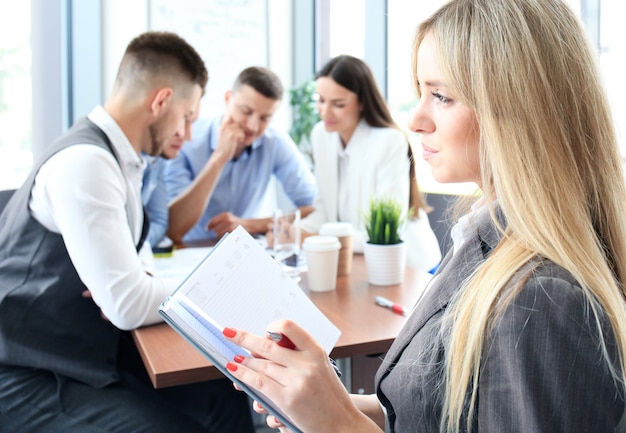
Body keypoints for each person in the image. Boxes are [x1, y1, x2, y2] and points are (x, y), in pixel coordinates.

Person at [221, 0, 626, 432]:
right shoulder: (482, 237)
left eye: (441, 96)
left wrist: (337, 424)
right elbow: (433, 412)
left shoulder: (541, 299)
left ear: (518, 108)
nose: (415, 120)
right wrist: (328, 401)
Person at [0, 31, 254, 432]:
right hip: (33, 371)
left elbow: (138, 271)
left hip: (86, 354)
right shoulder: (86, 163)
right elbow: (128, 304)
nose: (187, 135)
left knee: (224, 391)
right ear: (161, 100)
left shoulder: (123, 160)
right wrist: (213, 291)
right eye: (187, 117)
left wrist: (136, 286)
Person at [300, 54, 441, 272]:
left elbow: (385, 230)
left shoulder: (389, 141)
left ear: (362, 103)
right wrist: (297, 231)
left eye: (338, 104)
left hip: (407, 265)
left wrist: (317, 236)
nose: (324, 112)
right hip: (357, 262)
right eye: (320, 100)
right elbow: (324, 209)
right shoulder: (321, 135)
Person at [165, 66, 316, 244]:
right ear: (228, 99)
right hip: (192, 249)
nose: (253, 126)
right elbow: (173, 227)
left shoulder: (274, 142)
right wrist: (219, 158)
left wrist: (250, 225)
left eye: (265, 118)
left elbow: (312, 207)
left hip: (246, 250)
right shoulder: (186, 140)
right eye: (246, 111)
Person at [141, 136, 181, 248]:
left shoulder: (158, 161)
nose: (187, 136)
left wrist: (137, 245)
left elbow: (159, 221)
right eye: (184, 120)